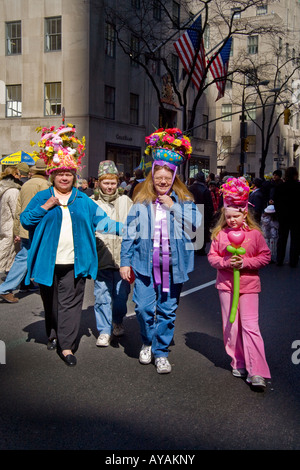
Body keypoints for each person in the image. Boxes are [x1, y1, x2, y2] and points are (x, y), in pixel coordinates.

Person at [20, 124, 122, 366]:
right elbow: (25, 220)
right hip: (48, 261)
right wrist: (45, 207)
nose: (64, 177)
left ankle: (66, 347)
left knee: (71, 304)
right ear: (52, 175)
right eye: (60, 173)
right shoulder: (43, 197)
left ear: (74, 176)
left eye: (68, 173)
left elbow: (103, 222)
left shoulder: (82, 199)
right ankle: (53, 333)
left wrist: (129, 228)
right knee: (51, 302)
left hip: (75, 262)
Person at [120, 128, 201, 374]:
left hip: (174, 266)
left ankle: (161, 351)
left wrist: (174, 206)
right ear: (152, 178)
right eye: (158, 178)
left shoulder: (184, 198)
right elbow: (129, 234)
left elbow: (195, 224)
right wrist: (125, 261)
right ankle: (147, 340)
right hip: (144, 264)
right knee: (144, 308)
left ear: (174, 177)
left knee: (167, 310)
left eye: (167, 178)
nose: (162, 182)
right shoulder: (141, 201)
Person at [208, 177, 271, 389]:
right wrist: (226, 262)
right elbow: (212, 257)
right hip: (226, 287)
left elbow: (265, 256)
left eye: (236, 216)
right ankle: (238, 361)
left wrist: (245, 262)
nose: (232, 220)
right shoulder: (219, 234)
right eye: (228, 217)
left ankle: (257, 371)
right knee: (232, 327)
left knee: (251, 327)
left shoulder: (255, 234)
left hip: (250, 287)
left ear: (245, 213)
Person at [91, 160, 132, 346]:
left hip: (122, 260)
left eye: (113, 183)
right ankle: (104, 330)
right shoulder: (92, 203)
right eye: (106, 183)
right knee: (101, 296)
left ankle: (117, 320)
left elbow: (134, 227)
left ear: (118, 183)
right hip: (101, 258)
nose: (109, 187)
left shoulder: (126, 201)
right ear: (98, 182)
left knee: (121, 297)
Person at [0, 159, 50, 303]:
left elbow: (18, 210)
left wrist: (17, 230)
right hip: (37, 228)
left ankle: (26, 284)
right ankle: (6, 288)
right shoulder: (44, 185)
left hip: (25, 226)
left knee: (25, 256)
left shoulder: (25, 184)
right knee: (27, 257)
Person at [273, 166, 300, 267]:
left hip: (283, 216)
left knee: (282, 238)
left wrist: (279, 213)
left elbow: (276, 201)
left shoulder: (280, 187)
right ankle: (293, 261)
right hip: (296, 216)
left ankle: (279, 260)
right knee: (295, 239)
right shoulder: (298, 186)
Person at [0, 167, 21, 277]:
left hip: (4, 222)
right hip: (10, 225)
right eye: (18, 174)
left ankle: (10, 273)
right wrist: (19, 230)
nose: (20, 176)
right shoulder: (13, 191)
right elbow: (16, 211)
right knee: (6, 249)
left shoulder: (3, 188)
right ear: (14, 175)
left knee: (9, 251)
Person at [188, 171, 214, 255]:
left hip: (191, 210)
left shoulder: (190, 188)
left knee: (191, 229)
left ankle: (193, 246)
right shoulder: (205, 190)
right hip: (202, 211)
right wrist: (210, 215)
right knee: (201, 229)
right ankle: (200, 248)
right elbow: (209, 205)